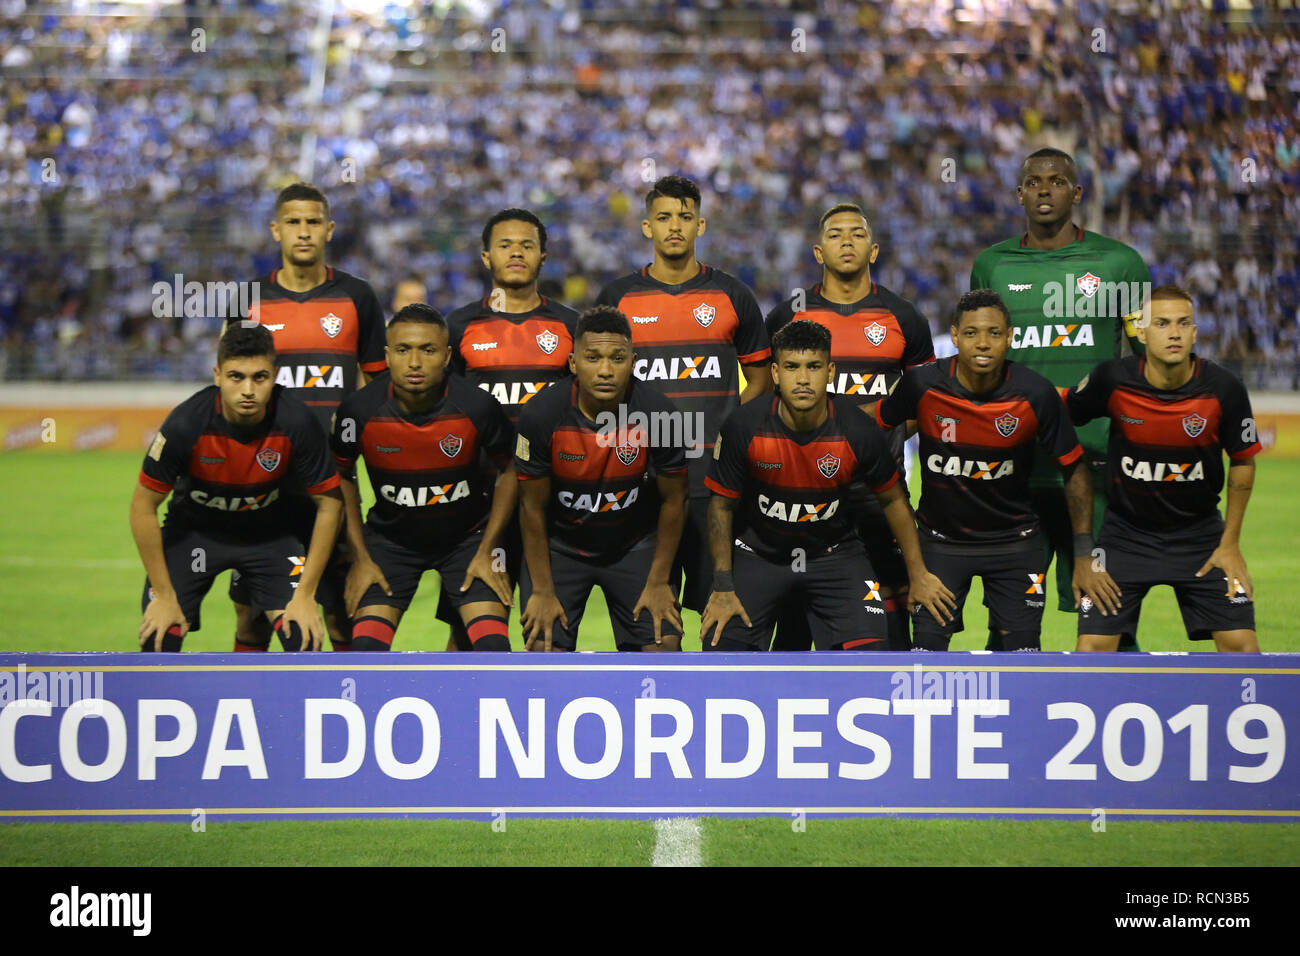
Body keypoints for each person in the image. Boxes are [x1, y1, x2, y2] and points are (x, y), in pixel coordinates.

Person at [970, 148, 1151, 651]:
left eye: (1056, 181)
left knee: (1106, 621)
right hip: (1012, 471)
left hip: (1095, 468)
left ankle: (1113, 716)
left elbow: (1148, 364)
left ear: (1077, 193)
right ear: (1019, 193)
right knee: (1009, 626)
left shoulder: (1119, 264)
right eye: (1033, 181)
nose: (1044, 189)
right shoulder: (992, 265)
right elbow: (979, 358)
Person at [876, 289, 1118, 651]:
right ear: (955, 336)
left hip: (1016, 544)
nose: (983, 343)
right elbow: (879, 427)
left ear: (1010, 337)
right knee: (925, 654)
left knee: (1020, 657)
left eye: (993, 333)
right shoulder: (923, 384)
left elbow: (1075, 469)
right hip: (940, 544)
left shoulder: (1035, 394)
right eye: (971, 333)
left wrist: (1083, 552)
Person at [700, 319, 954, 651]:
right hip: (758, 556)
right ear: (775, 373)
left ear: (830, 372)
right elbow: (720, 506)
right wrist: (722, 587)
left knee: (871, 659)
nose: (803, 379)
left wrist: (918, 574)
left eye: (813, 367)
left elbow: (893, 502)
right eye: (791, 367)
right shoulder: (744, 426)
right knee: (723, 655)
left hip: (834, 556)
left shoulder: (857, 430)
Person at [596, 175, 772, 622]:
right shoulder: (617, 299)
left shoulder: (733, 295)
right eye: (664, 217)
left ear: (701, 226)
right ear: (646, 227)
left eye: (685, 217)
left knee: (726, 619)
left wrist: (730, 439)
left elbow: (760, 380)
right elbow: (597, 383)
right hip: (641, 482)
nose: (675, 226)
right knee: (653, 622)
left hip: (715, 484)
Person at [766, 202, 935, 650]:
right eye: (835, 234)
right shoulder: (789, 317)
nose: (846, 241)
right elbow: (768, 400)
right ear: (818, 252)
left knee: (892, 616)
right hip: (803, 494)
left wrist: (880, 439)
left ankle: (891, 705)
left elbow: (926, 399)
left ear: (873, 249)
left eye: (857, 234)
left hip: (880, 493)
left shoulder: (904, 317)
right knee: (798, 618)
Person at [227, 182, 387, 652]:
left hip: (334, 481)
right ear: (276, 230)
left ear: (329, 230)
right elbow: (234, 388)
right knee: (252, 615)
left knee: (340, 615)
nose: (303, 232)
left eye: (313, 222)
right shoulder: (247, 301)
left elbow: (378, 393)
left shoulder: (357, 297)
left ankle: (340, 714)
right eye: (293, 222)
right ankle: (248, 707)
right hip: (263, 481)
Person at [1066, 285, 1261, 652]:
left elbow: (1243, 462)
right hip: (1124, 537)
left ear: (1195, 332)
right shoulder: (1113, 379)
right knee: (1091, 648)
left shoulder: (1224, 388)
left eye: (1183, 323)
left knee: (1243, 648)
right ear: (1141, 331)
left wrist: (1230, 543)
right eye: (1162, 323)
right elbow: (1064, 409)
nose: (1173, 332)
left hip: (1201, 537)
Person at [130, 325, 343, 652]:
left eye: (260, 377)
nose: (248, 390)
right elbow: (142, 507)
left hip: (270, 538)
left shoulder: (297, 421)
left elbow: (330, 504)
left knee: (305, 639)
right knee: (159, 637)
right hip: (194, 538)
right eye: (235, 377)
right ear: (217, 375)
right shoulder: (186, 423)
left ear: (275, 375)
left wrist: (304, 595)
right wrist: (165, 595)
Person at [331, 304, 516, 651]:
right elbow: (342, 476)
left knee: (492, 650)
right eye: (403, 350)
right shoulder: (359, 410)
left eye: (427, 350)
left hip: (468, 541)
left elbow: (511, 470)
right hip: (390, 543)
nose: (414, 362)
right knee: (366, 652)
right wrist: (360, 556)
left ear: (446, 356)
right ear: (387, 355)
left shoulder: (477, 407)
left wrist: (489, 549)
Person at [436, 209, 579, 651]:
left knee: (546, 633)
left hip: (552, 503)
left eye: (527, 245)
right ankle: (458, 717)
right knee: (469, 633)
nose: (516, 251)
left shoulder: (572, 327)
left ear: (543, 258)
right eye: (505, 244)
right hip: (477, 505)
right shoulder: (456, 328)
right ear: (485, 257)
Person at [514, 306, 689, 652]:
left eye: (617, 358)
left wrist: (657, 581)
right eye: (593, 357)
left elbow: (675, 500)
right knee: (542, 649)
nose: (606, 370)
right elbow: (531, 507)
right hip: (561, 548)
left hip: (634, 546)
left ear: (634, 361)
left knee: (663, 650)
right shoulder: (541, 414)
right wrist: (543, 591)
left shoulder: (659, 413)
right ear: (573, 362)